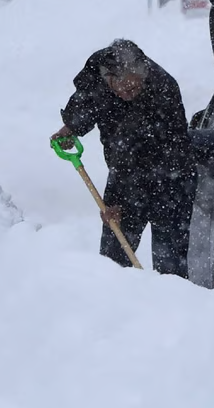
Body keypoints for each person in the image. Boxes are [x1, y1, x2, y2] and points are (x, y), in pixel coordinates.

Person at [51, 39, 197, 277]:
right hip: (125, 173)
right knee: (112, 261)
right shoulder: (96, 78)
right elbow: (84, 104)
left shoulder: (163, 88)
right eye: (126, 89)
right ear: (110, 80)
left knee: (171, 263)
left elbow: (167, 151)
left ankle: (170, 304)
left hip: (172, 179)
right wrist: (70, 128)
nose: (132, 94)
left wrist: (122, 200)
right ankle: (112, 302)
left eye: (137, 88)